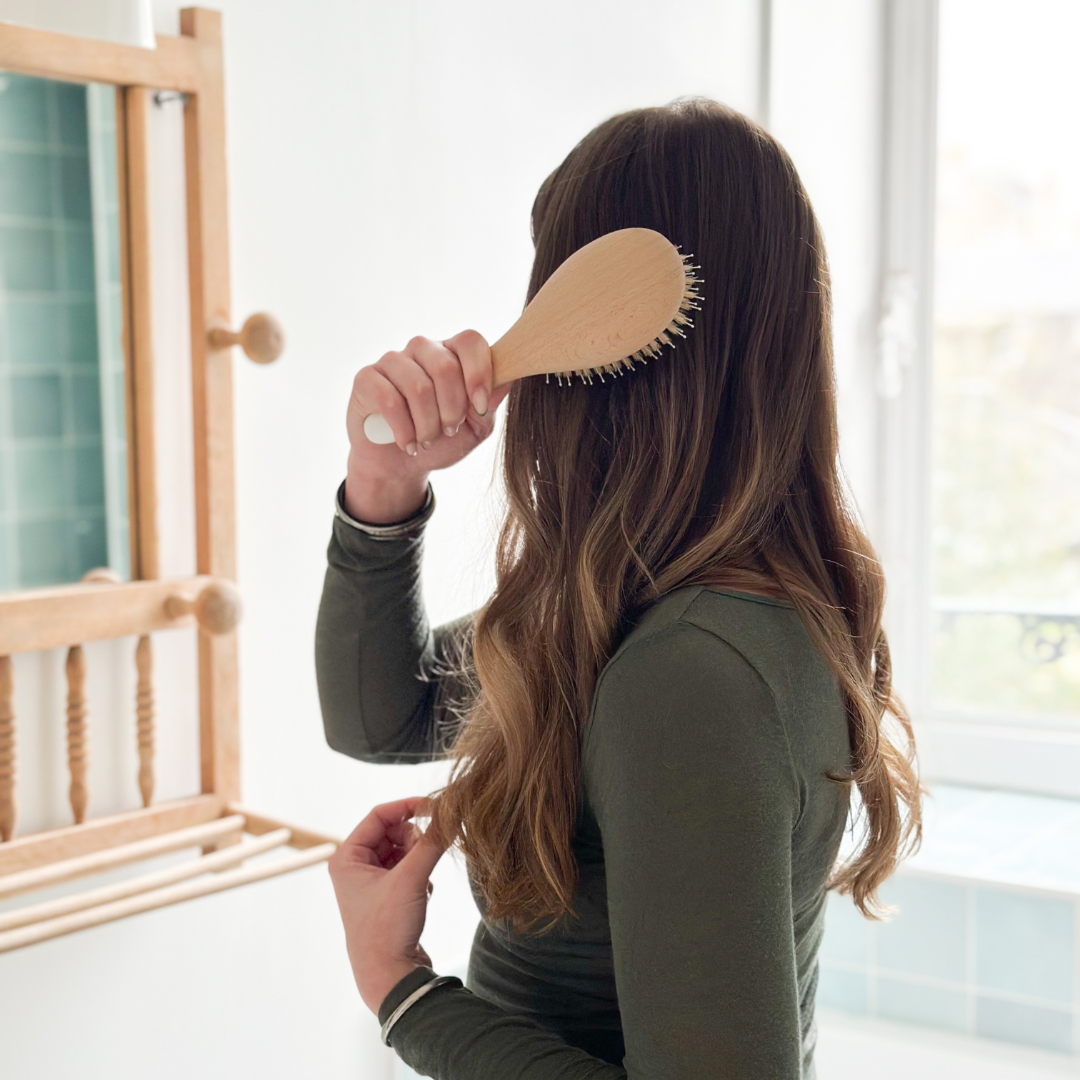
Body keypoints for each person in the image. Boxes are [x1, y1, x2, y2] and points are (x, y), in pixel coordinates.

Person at [315, 97, 922, 1079]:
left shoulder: (691, 667)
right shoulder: (666, 597)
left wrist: (401, 988)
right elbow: (382, 718)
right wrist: (383, 489)